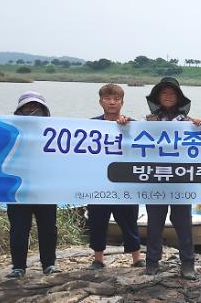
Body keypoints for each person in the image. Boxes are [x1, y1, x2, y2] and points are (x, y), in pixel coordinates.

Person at [144, 77, 201, 279]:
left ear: (178, 98)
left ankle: (188, 263)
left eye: (172, 93)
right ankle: (151, 262)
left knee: (183, 223)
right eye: (164, 93)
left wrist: (200, 126)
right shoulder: (148, 121)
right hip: (156, 180)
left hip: (180, 180)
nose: (168, 96)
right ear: (158, 97)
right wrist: (124, 123)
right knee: (154, 224)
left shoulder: (188, 123)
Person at [87, 84, 144, 270]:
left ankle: (136, 257)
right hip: (98, 182)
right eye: (108, 99)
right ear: (100, 101)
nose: (112, 102)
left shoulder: (131, 124)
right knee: (97, 220)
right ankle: (98, 259)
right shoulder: (91, 125)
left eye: (116, 99)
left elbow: (142, 148)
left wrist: (127, 128)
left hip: (124, 182)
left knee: (129, 220)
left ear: (122, 102)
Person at [6, 91, 60, 278]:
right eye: (27, 108)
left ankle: (49, 264)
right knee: (19, 228)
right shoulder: (8, 130)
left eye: (36, 107)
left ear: (44, 111)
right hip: (17, 189)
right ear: (19, 111)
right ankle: (18, 267)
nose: (31, 111)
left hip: (45, 189)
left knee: (48, 228)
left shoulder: (55, 131)